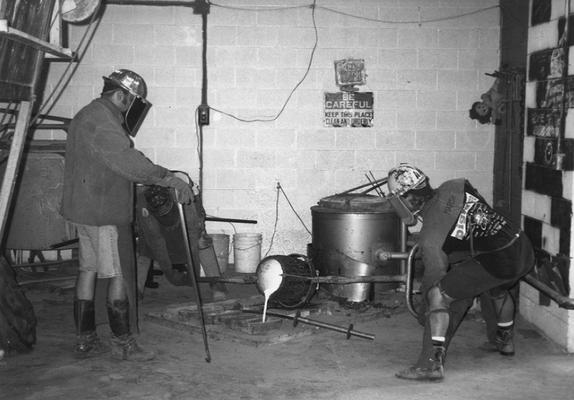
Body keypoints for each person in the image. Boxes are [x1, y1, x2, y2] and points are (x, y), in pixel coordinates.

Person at [61, 69, 194, 361]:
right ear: (121, 95)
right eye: (131, 101)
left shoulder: (88, 114)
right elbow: (126, 161)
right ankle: (123, 343)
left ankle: (85, 339)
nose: (130, 108)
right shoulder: (102, 121)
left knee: (88, 270)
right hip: (102, 211)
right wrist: (167, 177)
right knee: (117, 274)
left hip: (83, 210)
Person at [386, 163, 534, 382]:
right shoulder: (455, 185)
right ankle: (503, 341)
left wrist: (424, 308)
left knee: (438, 295)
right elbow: (471, 221)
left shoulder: (431, 237)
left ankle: (430, 366)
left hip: (499, 260)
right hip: (521, 247)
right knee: (495, 287)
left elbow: (434, 275)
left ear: (406, 199)